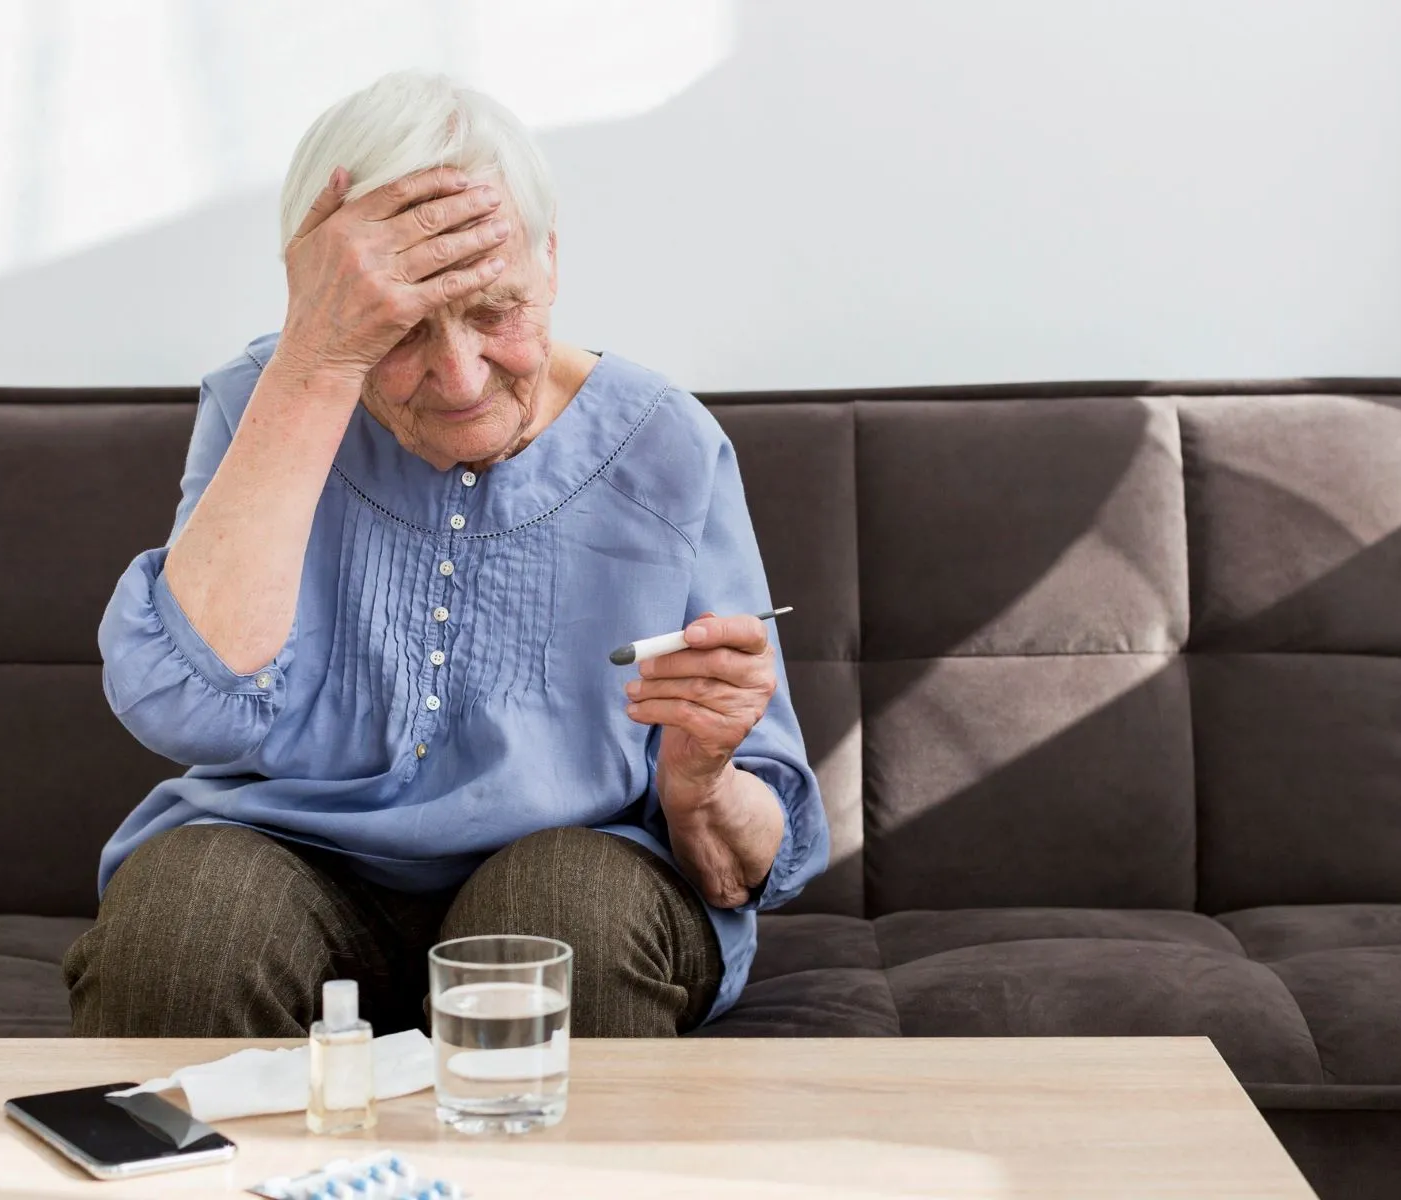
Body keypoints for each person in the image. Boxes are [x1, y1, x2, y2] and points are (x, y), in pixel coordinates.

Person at [64, 71, 828, 1039]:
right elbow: (186, 709)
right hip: (286, 870)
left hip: (585, 875)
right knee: (186, 925)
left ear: (549, 261)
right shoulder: (265, 396)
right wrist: (317, 360)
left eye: (495, 311)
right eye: (398, 330)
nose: (459, 377)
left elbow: (746, 866)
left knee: (559, 915)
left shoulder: (664, 443)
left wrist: (700, 783)